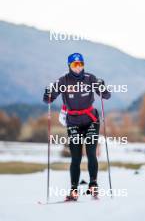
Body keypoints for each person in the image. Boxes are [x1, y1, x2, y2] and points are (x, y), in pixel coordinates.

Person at [43, 53, 111, 200]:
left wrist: (102, 86)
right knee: (76, 158)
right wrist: (48, 93)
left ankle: (93, 184)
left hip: (91, 120)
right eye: (75, 65)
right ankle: (74, 189)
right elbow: (47, 99)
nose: (78, 67)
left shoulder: (90, 78)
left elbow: (106, 96)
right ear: (69, 66)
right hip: (73, 122)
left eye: (81, 64)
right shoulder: (63, 81)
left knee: (91, 153)